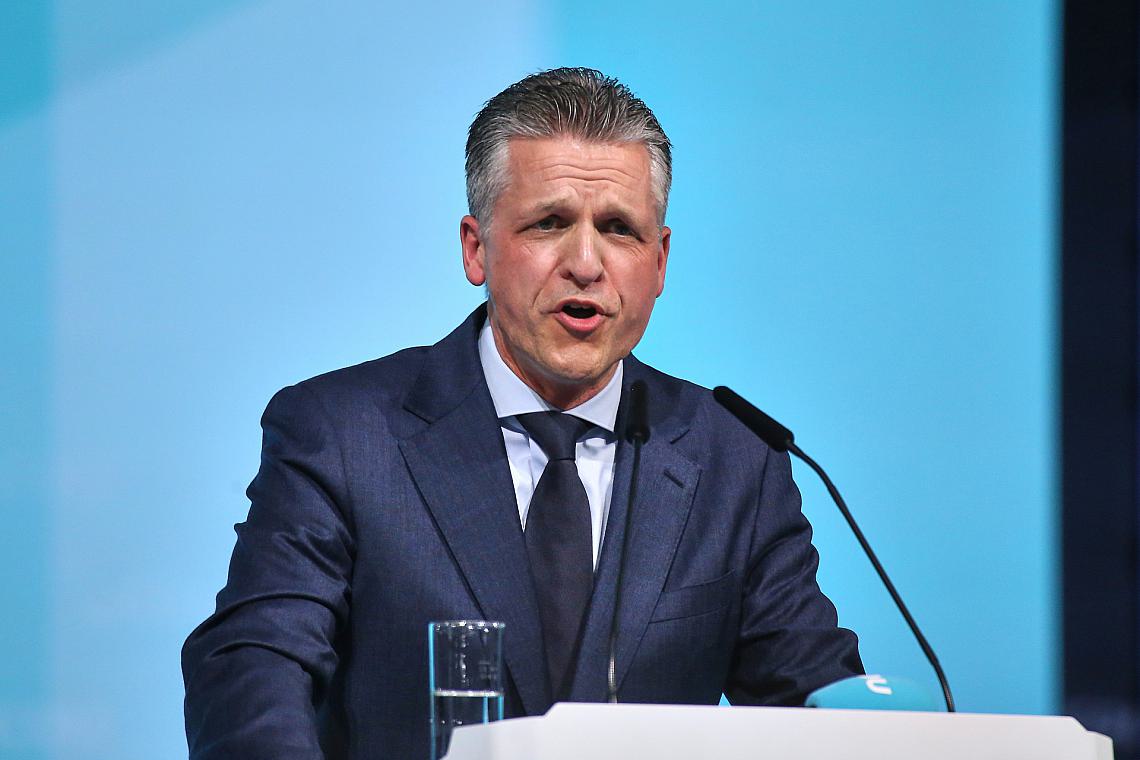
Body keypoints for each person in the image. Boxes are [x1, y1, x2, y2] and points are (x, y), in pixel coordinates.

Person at [182, 67, 862, 760]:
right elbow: (253, 667)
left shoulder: (733, 459)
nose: (586, 264)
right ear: (476, 248)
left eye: (619, 229)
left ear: (658, 262)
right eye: (550, 223)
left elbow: (816, 703)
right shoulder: (343, 435)